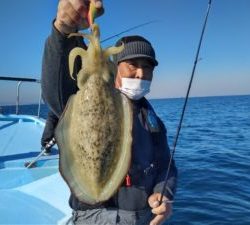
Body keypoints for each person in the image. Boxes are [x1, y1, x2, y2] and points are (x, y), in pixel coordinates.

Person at [41, 1, 178, 224]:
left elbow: (166, 164)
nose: (140, 73)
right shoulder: (79, 96)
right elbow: (55, 92)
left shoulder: (152, 119)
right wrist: (63, 30)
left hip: (143, 216)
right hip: (94, 215)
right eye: (132, 64)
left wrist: (164, 194)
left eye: (148, 66)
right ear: (116, 67)